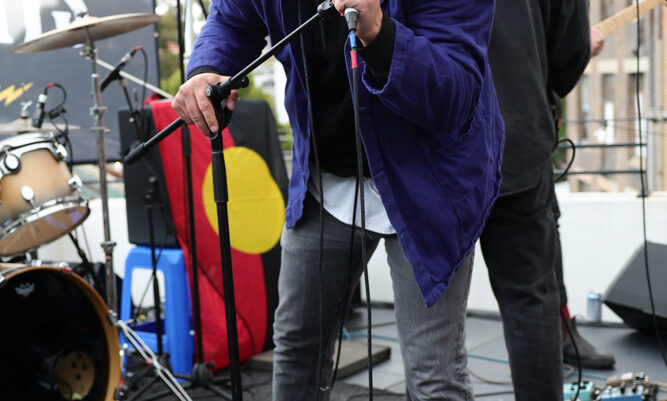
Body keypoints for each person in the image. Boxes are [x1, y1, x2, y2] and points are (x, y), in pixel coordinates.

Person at [172, 0, 504, 399]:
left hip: (428, 182)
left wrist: (379, 34)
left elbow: (457, 93)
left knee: (433, 373)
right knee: (296, 349)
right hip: (322, 182)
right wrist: (206, 67)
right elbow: (232, 18)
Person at [480, 1, 591, 400]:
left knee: (432, 322)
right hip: (519, 135)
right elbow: (571, 48)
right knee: (530, 301)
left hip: (435, 147)